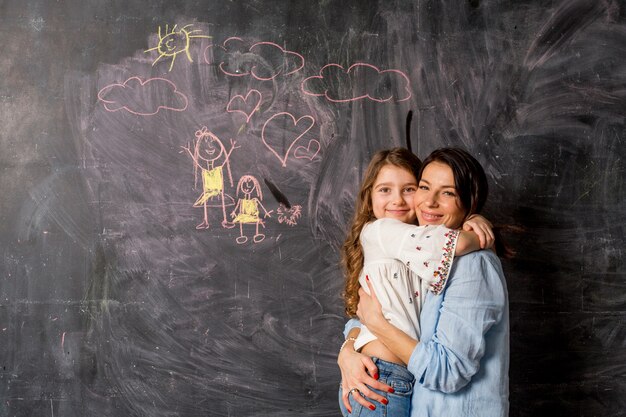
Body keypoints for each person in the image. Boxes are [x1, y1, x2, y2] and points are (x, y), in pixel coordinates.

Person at [338, 147, 510, 417]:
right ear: (368, 198)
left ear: (469, 201)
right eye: (424, 188)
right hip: (381, 381)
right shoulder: (401, 243)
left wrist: (377, 325)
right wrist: (349, 347)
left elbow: (446, 371)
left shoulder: (467, 264)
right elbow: (370, 312)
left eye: (448, 192)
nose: (429, 202)